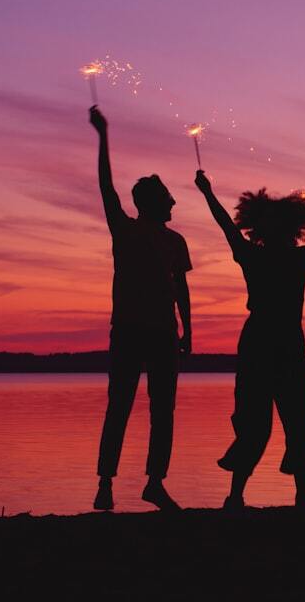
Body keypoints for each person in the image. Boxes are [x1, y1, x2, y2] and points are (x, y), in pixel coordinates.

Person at [194, 171, 305, 509]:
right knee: (254, 420)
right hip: (263, 342)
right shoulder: (259, 255)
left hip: (283, 341)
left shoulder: (290, 256)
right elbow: (224, 224)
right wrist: (207, 192)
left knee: (295, 418)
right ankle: (237, 496)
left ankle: (299, 495)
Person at [90, 106, 191, 512]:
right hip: (130, 329)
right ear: (151, 203)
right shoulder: (126, 229)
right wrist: (103, 137)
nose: (173, 202)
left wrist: (189, 332)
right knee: (120, 405)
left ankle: (154, 483)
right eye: (168, 197)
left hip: (165, 333)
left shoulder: (176, 241)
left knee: (163, 410)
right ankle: (105, 483)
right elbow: (105, 186)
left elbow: (181, 288)